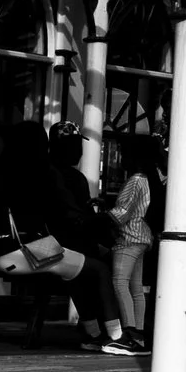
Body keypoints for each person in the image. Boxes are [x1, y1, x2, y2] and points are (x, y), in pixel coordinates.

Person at [0, 120, 122, 352]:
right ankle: (116, 337)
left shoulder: (3, 171)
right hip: (31, 250)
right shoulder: (44, 173)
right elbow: (72, 216)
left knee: (76, 266)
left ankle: (93, 332)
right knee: (97, 268)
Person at [48, 121, 131, 353]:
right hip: (63, 246)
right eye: (74, 145)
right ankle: (114, 332)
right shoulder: (69, 177)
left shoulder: (53, 173)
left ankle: (92, 329)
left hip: (56, 244)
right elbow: (75, 219)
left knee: (92, 260)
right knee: (101, 265)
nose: (79, 151)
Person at [106, 136, 163, 353]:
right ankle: (138, 336)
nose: (120, 157)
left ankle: (129, 333)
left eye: (124, 153)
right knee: (136, 289)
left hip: (128, 237)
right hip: (144, 237)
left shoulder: (137, 179)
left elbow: (122, 212)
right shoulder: (152, 177)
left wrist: (100, 217)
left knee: (120, 283)